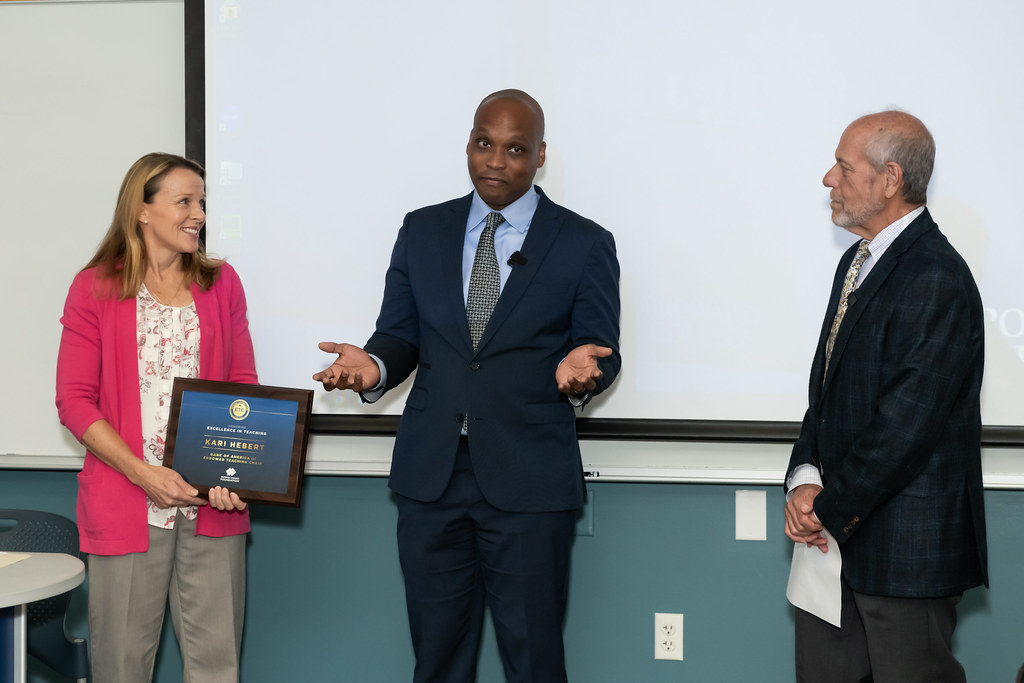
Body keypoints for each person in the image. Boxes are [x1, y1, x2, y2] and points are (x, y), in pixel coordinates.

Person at [314, 89, 620, 682]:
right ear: (468, 144)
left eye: (515, 149)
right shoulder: (422, 229)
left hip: (529, 479)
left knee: (534, 661)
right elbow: (399, 335)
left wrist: (584, 372)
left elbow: (598, 350)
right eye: (484, 143)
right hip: (431, 477)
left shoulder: (584, 243)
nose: (496, 161)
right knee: (437, 661)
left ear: (540, 156)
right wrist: (373, 366)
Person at [783, 111, 988, 682]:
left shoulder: (936, 276)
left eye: (844, 168)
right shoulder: (855, 261)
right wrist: (804, 479)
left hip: (905, 556)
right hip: (831, 547)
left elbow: (905, 427)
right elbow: (825, 394)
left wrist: (823, 511)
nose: (829, 178)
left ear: (891, 178)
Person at [56, 153, 257, 683]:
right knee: (120, 668)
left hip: (212, 507)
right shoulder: (94, 287)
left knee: (217, 668)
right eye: (184, 201)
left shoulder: (222, 283)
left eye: (202, 202)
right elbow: (74, 400)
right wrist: (144, 475)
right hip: (126, 502)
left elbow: (242, 388)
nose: (199, 215)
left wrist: (236, 475)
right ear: (142, 210)